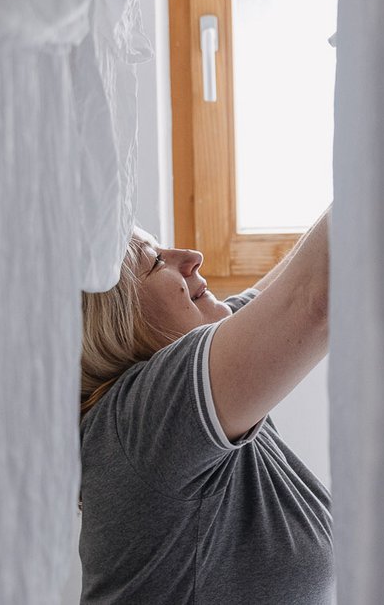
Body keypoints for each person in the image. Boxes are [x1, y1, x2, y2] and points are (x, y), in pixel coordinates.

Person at [77, 209, 332, 604]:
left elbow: (292, 287)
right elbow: (314, 298)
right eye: (156, 260)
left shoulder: (198, 395)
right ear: (118, 318)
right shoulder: (146, 420)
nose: (191, 256)